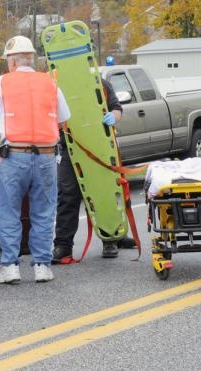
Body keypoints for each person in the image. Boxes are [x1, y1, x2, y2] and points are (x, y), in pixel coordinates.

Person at [0, 35, 71, 284]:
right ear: (32, 60)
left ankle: (11, 266)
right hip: (45, 157)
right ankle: (42, 266)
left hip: (14, 156)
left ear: (12, 61)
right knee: (44, 212)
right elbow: (64, 117)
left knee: (9, 212)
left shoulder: (3, 82)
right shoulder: (50, 83)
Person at [52, 78, 136, 263]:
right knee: (67, 195)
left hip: (98, 147)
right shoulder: (57, 84)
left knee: (102, 193)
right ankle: (63, 246)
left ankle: (111, 238)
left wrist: (113, 116)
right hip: (69, 147)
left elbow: (116, 108)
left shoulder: (100, 84)